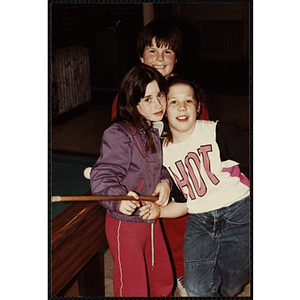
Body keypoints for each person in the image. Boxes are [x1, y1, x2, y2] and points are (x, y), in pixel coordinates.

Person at [111, 20, 208, 296]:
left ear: (176, 58)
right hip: (144, 176)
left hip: (180, 170)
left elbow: (203, 135)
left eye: (167, 52)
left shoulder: (186, 92)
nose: (159, 59)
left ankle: (182, 271)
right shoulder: (128, 96)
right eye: (152, 51)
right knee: (145, 230)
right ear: (141, 56)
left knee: (180, 225)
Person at [139, 76, 250, 297]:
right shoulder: (162, 153)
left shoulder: (217, 132)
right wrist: (159, 210)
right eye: (173, 102)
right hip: (200, 222)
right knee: (196, 289)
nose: (182, 106)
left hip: (238, 214)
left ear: (198, 107)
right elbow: (182, 204)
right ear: (163, 110)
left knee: (234, 283)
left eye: (188, 101)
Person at [90, 65, 174, 297]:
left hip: (149, 215)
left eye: (159, 95)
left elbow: (158, 167)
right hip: (124, 222)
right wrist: (117, 199)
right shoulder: (119, 134)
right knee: (132, 283)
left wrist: (165, 182)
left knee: (161, 274)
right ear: (133, 102)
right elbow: (102, 174)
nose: (157, 104)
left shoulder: (153, 129)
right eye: (147, 99)